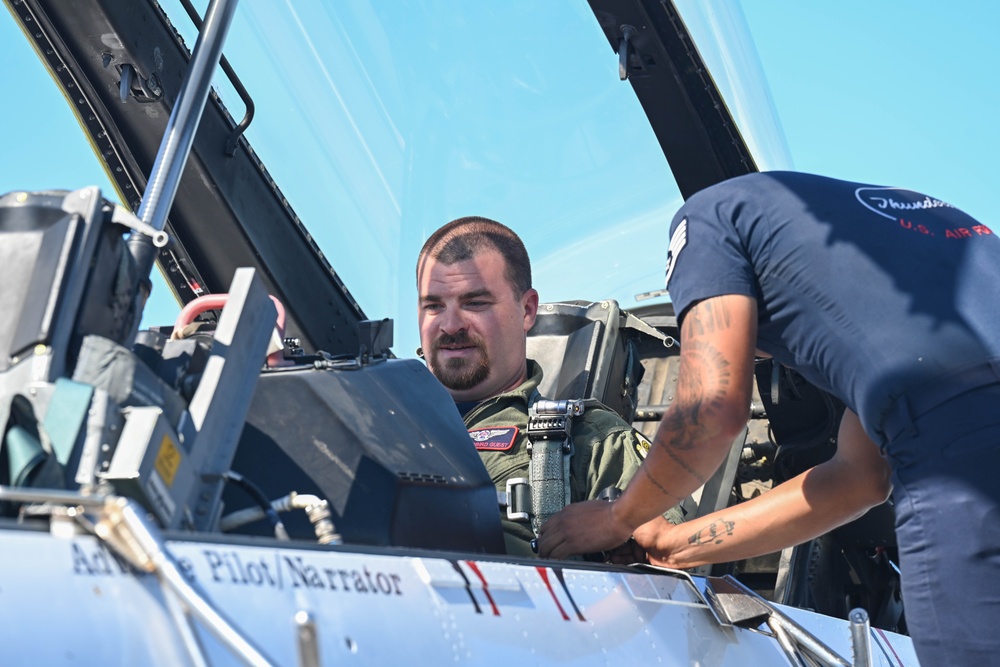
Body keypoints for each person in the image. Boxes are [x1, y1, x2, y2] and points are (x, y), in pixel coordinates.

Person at [536, 171, 1000, 666]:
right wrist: (672, 545)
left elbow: (710, 405)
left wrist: (617, 517)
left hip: (962, 458)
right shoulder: (899, 245)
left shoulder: (707, 220)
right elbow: (859, 479)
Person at [416, 216, 655, 557]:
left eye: (475, 303)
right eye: (433, 306)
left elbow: (670, 567)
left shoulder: (592, 440)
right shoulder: (372, 428)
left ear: (527, 309)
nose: (451, 325)